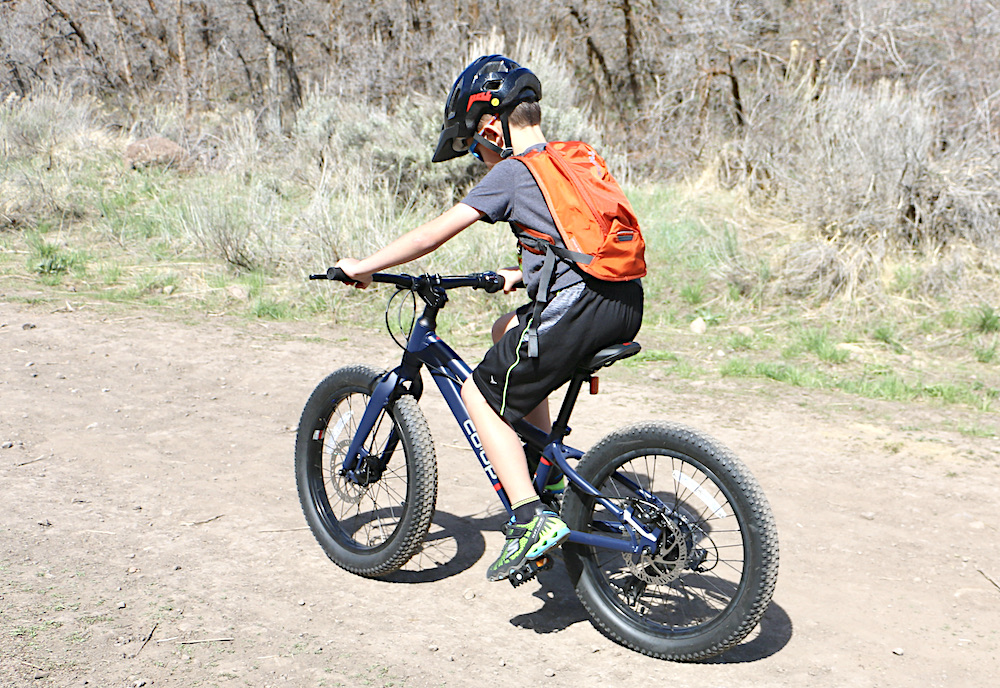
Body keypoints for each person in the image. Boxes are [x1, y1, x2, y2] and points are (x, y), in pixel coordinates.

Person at [334, 55, 643, 583]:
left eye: (475, 142)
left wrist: (363, 267)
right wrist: (524, 274)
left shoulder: (512, 171)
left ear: (493, 125)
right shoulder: (573, 158)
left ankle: (526, 521)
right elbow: (579, 239)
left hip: (577, 310)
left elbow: (433, 233)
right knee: (508, 331)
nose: (479, 156)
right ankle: (545, 478)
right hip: (623, 302)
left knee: (480, 393)